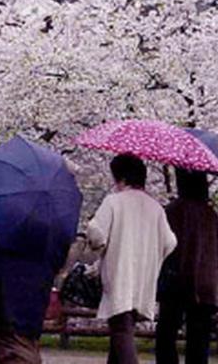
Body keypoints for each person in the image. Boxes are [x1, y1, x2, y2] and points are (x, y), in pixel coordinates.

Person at [86, 153, 177, 364]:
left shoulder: (114, 202)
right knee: (123, 329)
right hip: (144, 278)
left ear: (121, 177)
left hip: (120, 274)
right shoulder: (155, 208)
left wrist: (91, 234)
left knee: (120, 328)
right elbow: (170, 242)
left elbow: (97, 234)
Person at [0, 212, 73, 363]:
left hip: (8, 307)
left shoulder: (8, 240)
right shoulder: (51, 241)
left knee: (17, 351)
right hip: (29, 307)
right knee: (18, 348)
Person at [155, 169, 218, 364]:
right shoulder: (211, 214)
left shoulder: (174, 210)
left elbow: (165, 245)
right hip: (206, 285)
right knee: (199, 342)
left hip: (178, 280)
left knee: (166, 334)